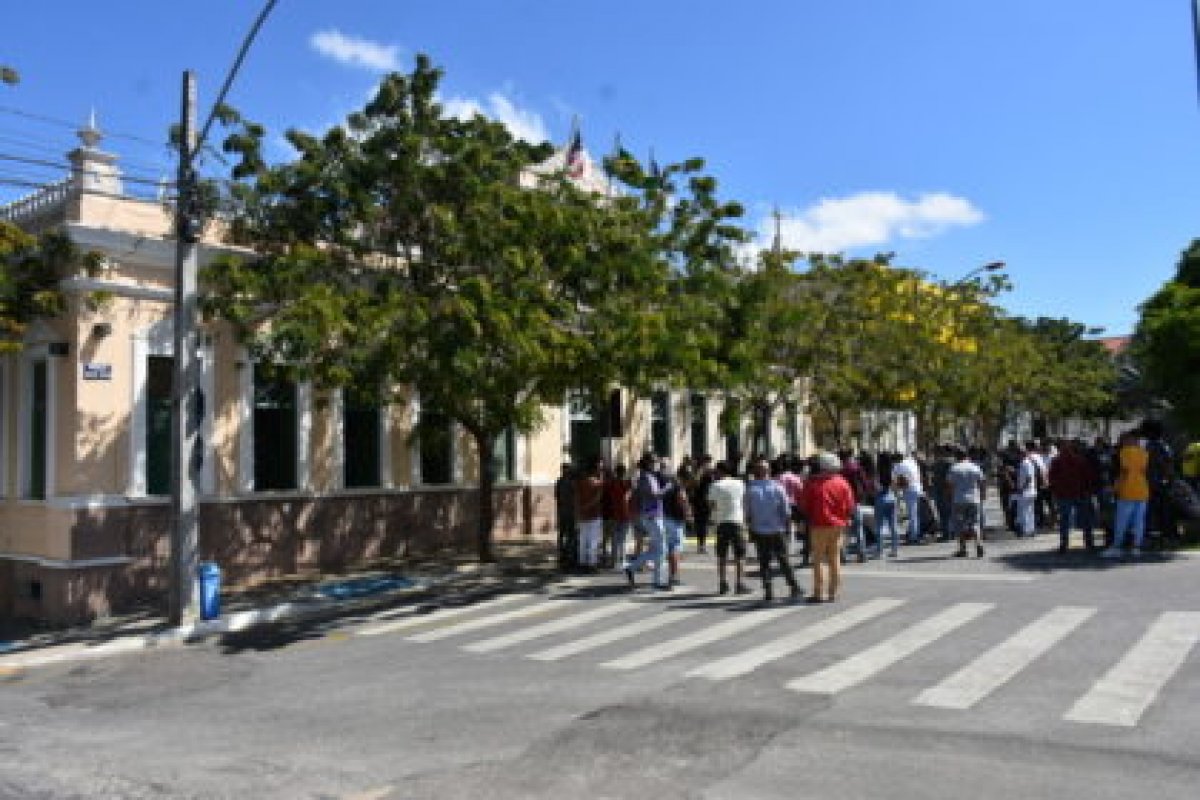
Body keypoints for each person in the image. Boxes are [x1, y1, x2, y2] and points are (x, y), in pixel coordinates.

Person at [799, 452, 856, 603]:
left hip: (818, 525)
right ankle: (833, 592)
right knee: (834, 558)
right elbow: (850, 505)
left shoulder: (813, 483)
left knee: (818, 560)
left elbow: (804, 505)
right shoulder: (843, 483)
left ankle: (819, 592)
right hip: (838, 525)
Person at [745, 458, 801, 603]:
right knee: (784, 560)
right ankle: (793, 586)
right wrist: (788, 528)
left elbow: (747, 513)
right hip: (777, 529)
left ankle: (768, 590)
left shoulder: (750, 489)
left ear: (756, 472)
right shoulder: (777, 487)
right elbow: (786, 510)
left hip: (760, 530)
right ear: (768, 471)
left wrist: (750, 529)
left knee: (764, 562)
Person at [624, 454, 669, 589]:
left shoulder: (646, 477)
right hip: (653, 515)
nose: (656, 463)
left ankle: (632, 568)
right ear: (648, 463)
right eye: (654, 461)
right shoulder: (647, 477)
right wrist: (668, 487)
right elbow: (655, 494)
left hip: (651, 514)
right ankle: (657, 581)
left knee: (658, 549)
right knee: (661, 550)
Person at [1104, 432, 1150, 558]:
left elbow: (1124, 470)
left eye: (1123, 439)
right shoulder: (1144, 453)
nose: (1121, 442)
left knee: (1121, 521)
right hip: (1142, 490)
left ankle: (1117, 546)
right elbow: (1144, 470)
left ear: (1129, 440)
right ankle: (1136, 547)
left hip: (1127, 490)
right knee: (1139, 521)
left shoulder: (1124, 451)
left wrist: (1115, 487)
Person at [708, 460, 750, 595]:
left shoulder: (715, 485)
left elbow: (712, 504)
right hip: (737, 521)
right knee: (740, 555)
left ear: (720, 471)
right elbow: (743, 501)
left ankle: (723, 583)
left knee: (722, 555)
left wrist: (716, 514)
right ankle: (740, 583)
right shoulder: (740, 483)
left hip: (721, 522)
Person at [1048, 439, 1098, 553]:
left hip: (1064, 494)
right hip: (1080, 493)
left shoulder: (1057, 461)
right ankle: (1089, 543)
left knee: (1065, 520)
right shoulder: (1080, 460)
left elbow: (1052, 478)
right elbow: (1088, 477)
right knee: (1086, 520)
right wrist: (1089, 491)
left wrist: (1056, 492)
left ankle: (1064, 544)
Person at [947, 447, 987, 558]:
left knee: (959, 524)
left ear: (957, 456)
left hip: (959, 500)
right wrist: (983, 494)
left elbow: (950, 485)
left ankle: (963, 548)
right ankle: (979, 544)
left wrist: (950, 497)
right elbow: (982, 482)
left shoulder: (954, 468)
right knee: (975, 523)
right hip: (974, 499)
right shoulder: (975, 467)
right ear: (967, 455)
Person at [661, 463, 692, 588]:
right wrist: (688, 513)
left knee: (671, 547)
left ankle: (673, 576)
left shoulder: (669, 485)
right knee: (675, 548)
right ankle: (673, 577)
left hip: (666, 518)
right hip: (675, 520)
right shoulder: (679, 487)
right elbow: (682, 500)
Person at [574, 457, 605, 569]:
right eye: (599, 467)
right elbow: (598, 497)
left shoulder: (580, 483)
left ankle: (582, 562)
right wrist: (588, 506)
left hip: (583, 515)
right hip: (594, 514)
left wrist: (580, 510)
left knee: (583, 540)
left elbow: (576, 499)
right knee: (593, 540)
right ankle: (592, 563)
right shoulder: (597, 483)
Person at [603, 464, 633, 570]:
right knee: (623, 539)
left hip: (614, 514)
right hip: (626, 514)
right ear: (624, 472)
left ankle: (613, 561)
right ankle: (623, 560)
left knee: (614, 539)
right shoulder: (628, 483)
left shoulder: (611, 484)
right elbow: (630, 496)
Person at [892, 452, 924, 545]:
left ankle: (913, 537)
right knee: (915, 513)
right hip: (917, 488)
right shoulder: (911, 462)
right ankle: (913, 533)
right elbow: (918, 474)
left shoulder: (898, 466)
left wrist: (896, 493)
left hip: (909, 489)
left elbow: (895, 481)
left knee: (912, 514)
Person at [874, 452, 900, 557]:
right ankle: (894, 550)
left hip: (880, 498)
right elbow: (895, 486)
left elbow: (876, 487)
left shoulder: (877, 473)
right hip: (891, 497)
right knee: (893, 525)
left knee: (879, 526)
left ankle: (880, 551)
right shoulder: (892, 471)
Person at [690, 455, 715, 554]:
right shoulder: (701, 472)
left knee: (701, 523)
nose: (709, 464)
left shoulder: (704, 472)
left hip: (700, 500)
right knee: (702, 524)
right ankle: (701, 546)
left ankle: (701, 545)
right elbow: (695, 483)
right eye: (708, 462)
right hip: (702, 501)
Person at [554, 463, 577, 570]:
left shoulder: (559, 481)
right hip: (570, 512)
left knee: (563, 533)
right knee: (569, 533)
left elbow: (557, 496)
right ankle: (568, 555)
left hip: (563, 511)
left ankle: (563, 554)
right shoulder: (572, 483)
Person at [1014, 443, 1038, 537]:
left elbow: (1028, 478)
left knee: (1023, 512)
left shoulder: (1025, 463)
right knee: (1029, 511)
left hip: (1026, 492)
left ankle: (1025, 530)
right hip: (1030, 491)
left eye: (1019, 453)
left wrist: (1022, 488)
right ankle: (1031, 529)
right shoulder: (1028, 463)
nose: (1018, 455)